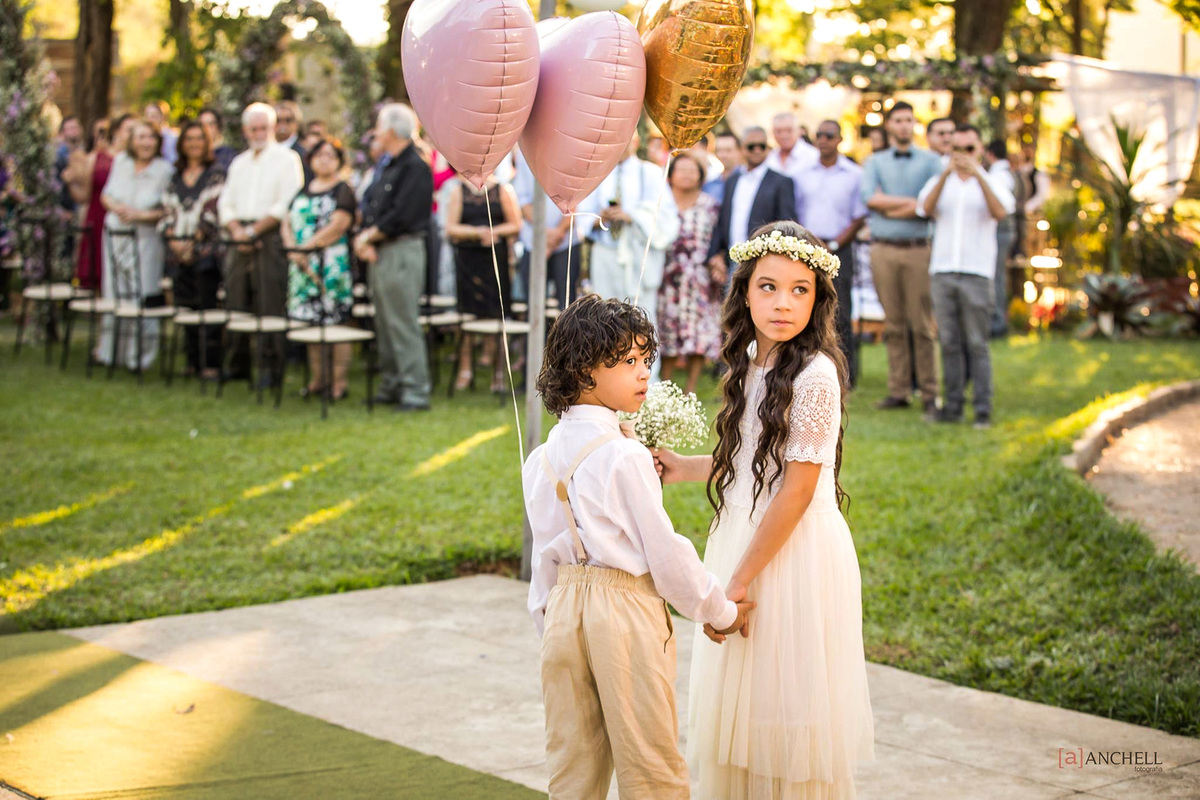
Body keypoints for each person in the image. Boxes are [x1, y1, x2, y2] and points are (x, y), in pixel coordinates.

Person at [654, 220, 874, 799]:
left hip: (792, 551)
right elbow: (753, 455)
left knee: (786, 704)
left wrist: (738, 581)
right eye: (769, 287)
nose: (783, 303)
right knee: (746, 707)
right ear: (745, 292)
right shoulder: (753, 359)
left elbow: (797, 489)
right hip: (746, 534)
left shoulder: (816, 375)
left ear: (819, 300)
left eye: (800, 290)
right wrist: (687, 466)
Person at [525, 293, 754, 800]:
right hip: (623, 611)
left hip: (563, 614)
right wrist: (718, 611)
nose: (643, 373)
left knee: (572, 765)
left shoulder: (539, 459)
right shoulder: (625, 457)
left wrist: (549, 625)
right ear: (583, 370)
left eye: (644, 360)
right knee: (649, 762)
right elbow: (666, 554)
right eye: (627, 362)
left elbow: (544, 558)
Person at [919, 124, 1014, 429]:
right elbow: (925, 209)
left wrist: (978, 175)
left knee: (976, 342)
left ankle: (983, 408)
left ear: (980, 150)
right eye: (957, 149)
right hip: (943, 271)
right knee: (948, 341)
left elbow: (1001, 212)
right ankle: (953, 406)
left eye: (969, 149)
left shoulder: (993, 180)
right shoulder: (940, 180)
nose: (962, 155)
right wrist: (946, 174)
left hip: (976, 273)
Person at [860, 100, 943, 416]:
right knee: (893, 323)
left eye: (909, 120)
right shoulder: (875, 161)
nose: (904, 125)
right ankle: (898, 391)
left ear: (914, 124)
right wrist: (914, 204)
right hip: (882, 249)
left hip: (918, 249)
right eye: (898, 120)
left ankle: (930, 393)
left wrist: (891, 204)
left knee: (921, 324)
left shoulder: (931, 161)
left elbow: (932, 204)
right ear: (889, 125)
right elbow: (870, 199)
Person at [218, 102, 304, 386]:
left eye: (264, 128)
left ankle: (270, 367)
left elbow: (286, 203)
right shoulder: (239, 162)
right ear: (245, 130)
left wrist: (253, 232)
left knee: (270, 302)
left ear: (272, 127)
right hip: (237, 234)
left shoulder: (287, 159)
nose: (258, 133)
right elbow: (225, 202)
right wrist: (236, 230)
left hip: (270, 235)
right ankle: (237, 363)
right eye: (253, 128)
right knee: (236, 300)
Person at [354, 103, 434, 412]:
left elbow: (403, 214)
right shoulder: (389, 163)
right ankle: (392, 384)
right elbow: (372, 203)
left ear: (389, 130)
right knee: (384, 322)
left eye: (378, 126)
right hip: (381, 249)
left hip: (402, 249)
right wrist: (366, 238)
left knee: (401, 322)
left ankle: (415, 391)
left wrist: (368, 237)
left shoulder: (415, 164)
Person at [281, 138, 357, 400]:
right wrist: (293, 249)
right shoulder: (302, 189)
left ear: (339, 161)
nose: (324, 159)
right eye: (319, 154)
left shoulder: (343, 189)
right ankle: (317, 380)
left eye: (330, 155)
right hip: (301, 266)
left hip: (331, 267)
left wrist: (307, 249)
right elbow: (287, 221)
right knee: (311, 323)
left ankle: (338, 382)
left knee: (336, 322)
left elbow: (339, 224)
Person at [583, 132, 680, 337]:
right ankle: (607, 364)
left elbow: (666, 216)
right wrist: (600, 217)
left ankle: (644, 366)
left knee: (640, 313)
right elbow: (583, 212)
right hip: (605, 250)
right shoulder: (597, 172)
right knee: (604, 312)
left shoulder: (650, 173)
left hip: (637, 252)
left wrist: (631, 216)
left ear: (635, 142)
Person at [796, 119, 868, 388]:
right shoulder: (802, 174)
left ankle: (845, 374)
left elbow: (859, 216)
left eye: (829, 135)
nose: (824, 140)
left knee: (841, 310)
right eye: (819, 135)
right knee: (808, 309)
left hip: (840, 249)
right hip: (806, 250)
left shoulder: (853, 174)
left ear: (839, 140)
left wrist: (835, 244)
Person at [98, 120, 173, 370]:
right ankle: (109, 353)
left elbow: (168, 210)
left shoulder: (165, 170)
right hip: (114, 236)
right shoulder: (121, 162)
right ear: (132, 140)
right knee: (113, 292)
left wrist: (140, 215)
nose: (145, 142)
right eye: (141, 137)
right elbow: (105, 195)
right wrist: (116, 208)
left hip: (146, 239)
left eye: (150, 137)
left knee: (144, 293)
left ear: (157, 142)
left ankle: (139, 357)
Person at [443, 173, 522, 392]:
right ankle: (465, 369)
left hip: (495, 261)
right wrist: (476, 233)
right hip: (468, 261)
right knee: (466, 316)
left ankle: (498, 372)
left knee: (497, 316)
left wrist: (493, 232)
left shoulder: (502, 189)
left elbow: (515, 224)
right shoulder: (459, 190)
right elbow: (451, 227)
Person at [160, 120, 226, 380]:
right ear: (181, 144)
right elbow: (166, 211)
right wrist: (174, 241)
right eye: (189, 139)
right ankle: (191, 360)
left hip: (205, 251)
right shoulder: (174, 177)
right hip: (176, 252)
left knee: (207, 306)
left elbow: (213, 210)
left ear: (206, 143)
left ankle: (210, 362)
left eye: (199, 138)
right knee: (184, 306)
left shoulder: (216, 174)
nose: (194, 143)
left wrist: (192, 242)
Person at [658, 151, 721, 394]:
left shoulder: (711, 205)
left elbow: (719, 238)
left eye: (692, 170)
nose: (686, 175)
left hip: (699, 278)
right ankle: (664, 384)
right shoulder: (661, 203)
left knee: (699, 334)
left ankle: (691, 389)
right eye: (681, 170)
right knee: (667, 330)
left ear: (701, 176)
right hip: (667, 278)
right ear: (671, 175)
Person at [708, 126, 796, 287]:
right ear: (742, 149)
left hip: (764, 263)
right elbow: (723, 221)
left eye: (761, 146)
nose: (757, 150)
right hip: (732, 262)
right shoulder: (733, 180)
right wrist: (716, 254)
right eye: (751, 146)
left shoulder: (781, 182)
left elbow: (787, 226)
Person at [65, 114, 132, 293]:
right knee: (97, 270)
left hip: (124, 216)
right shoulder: (94, 158)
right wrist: (71, 182)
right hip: (96, 217)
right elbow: (84, 196)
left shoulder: (131, 160)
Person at [982, 139, 1020, 337]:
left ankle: (997, 323)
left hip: (1000, 230)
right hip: (1003, 231)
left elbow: (1005, 207)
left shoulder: (998, 175)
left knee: (995, 276)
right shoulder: (1006, 173)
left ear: (989, 154)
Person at [765, 111, 818, 187]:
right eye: (779, 131)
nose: (783, 135)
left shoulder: (813, 156)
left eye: (788, 130)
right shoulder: (770, 158)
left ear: (799, 131)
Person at [275, 101, 313, 184]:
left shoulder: (304, 154)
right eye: (278, 120)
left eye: (288, 120)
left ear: (296, 123)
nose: (283, 124)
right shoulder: (265, 151)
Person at [701, 131, 743, 204]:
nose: (723, 155)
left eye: (728, 150)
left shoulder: (746, 182)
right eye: (719, 150)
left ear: (739, 151)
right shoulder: (709, 186)